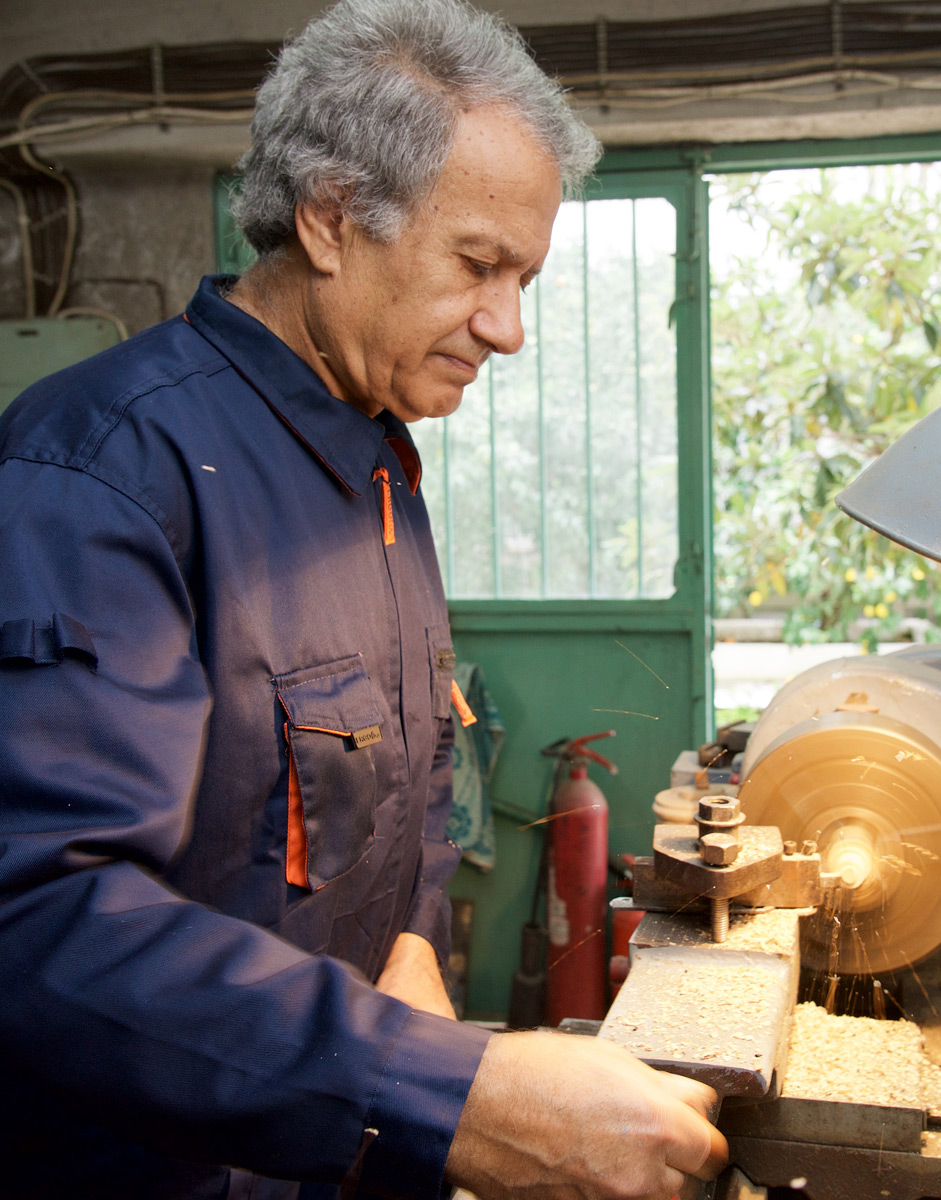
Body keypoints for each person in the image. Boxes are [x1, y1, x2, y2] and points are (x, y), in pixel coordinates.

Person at [0, 1, 729, 1197]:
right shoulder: (105, 475)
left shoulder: (371, 450)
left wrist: (413, 977)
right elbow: (40, 923)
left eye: (527, 278)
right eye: (479, 267)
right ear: (332, 219)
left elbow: (399, 798)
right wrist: (448, 1093)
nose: (509, 328)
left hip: (343, 1151)